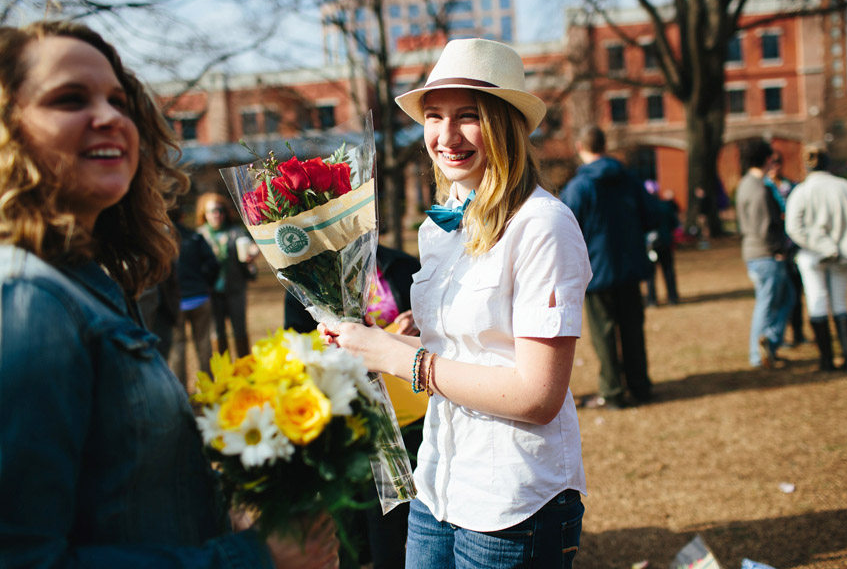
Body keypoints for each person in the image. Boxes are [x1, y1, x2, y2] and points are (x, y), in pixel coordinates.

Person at [0, 20, 337, 568]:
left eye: (118, 99)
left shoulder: (94, 283)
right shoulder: (25, 302)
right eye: (69, 99)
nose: (109, 116)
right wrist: (250, 558)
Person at [320, 38, 590, 569]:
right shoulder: (440, 224)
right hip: (437, 483)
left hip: (514, 500)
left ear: (506, 124)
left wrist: (400, 359)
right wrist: (386, 342)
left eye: (469, 117)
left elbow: (537, 394)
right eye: (434, 116)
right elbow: (473, 344)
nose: (446, 136)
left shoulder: (543, 226)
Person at [284, 244, 425, 569]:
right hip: (343, 415)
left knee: (395, 519)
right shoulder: (304, 278)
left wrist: (417, 325)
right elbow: (295, 346)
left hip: (407, 413)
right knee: (350, 514)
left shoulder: (399, 265)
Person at [560, 126, 656, 410]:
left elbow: (564, 227)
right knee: (632, 329)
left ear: (580, 147)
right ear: (605, 144)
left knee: (604, 333)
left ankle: (613, 391)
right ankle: (640, 386)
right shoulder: (629, 179)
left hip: (597, 270)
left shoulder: (579, 187)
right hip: (629, 266)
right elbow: (651, 215)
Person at [785, 145, 847, 373]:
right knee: (840, 304)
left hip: (812, 256)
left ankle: (827, 361)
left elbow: (793, 228)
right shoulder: (844, 187)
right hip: (842, 255)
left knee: (817, 303)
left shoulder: (802, 191)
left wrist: (818, 245)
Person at [735, 139, 795, 369]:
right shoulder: (759, 188)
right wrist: (778, 250)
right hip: (765, 254)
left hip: (756, 252)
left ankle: (768, 343)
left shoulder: (746, 183)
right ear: (767, 159)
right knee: (769, 302)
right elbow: (765, 225)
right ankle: (760, 352)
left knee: (784, 298)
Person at [197, 191, 259, 359]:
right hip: (211, 292)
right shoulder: (199, 236)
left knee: (239, 329)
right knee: (216, 332)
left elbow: (252, 246)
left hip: (235, 288)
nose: (216, 214)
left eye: (220, 210)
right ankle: (223, 372)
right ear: (204, 214)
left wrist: (253, 253)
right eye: (212, 211)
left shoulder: (236, 231)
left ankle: (245, 367)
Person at [168, 205, 219, 390]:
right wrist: (206, 284)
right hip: (199, 297)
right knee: (204, 343)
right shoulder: (195, 237)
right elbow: (213, 263)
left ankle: (181, 391)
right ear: (182, 215)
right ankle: (208, 388)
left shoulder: (160, 240)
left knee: (177, 347)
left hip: (176, 302)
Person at [767, 150, 807, 347]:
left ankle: (798, 332)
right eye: (771, 162)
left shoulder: (790, 186)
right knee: (778, 296)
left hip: (793, 246)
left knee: (796, 293)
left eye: (778, 162)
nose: (775, 166)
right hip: (774, 249)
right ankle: (777, 337)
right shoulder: (763, 188)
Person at [645, 184, 680, 307]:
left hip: (649, 245)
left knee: (650, 274)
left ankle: (651, 299)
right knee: (668, 271)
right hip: (665, 242)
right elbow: (674, 223)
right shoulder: (665, 206)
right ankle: (672, 297)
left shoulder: (644, 208)